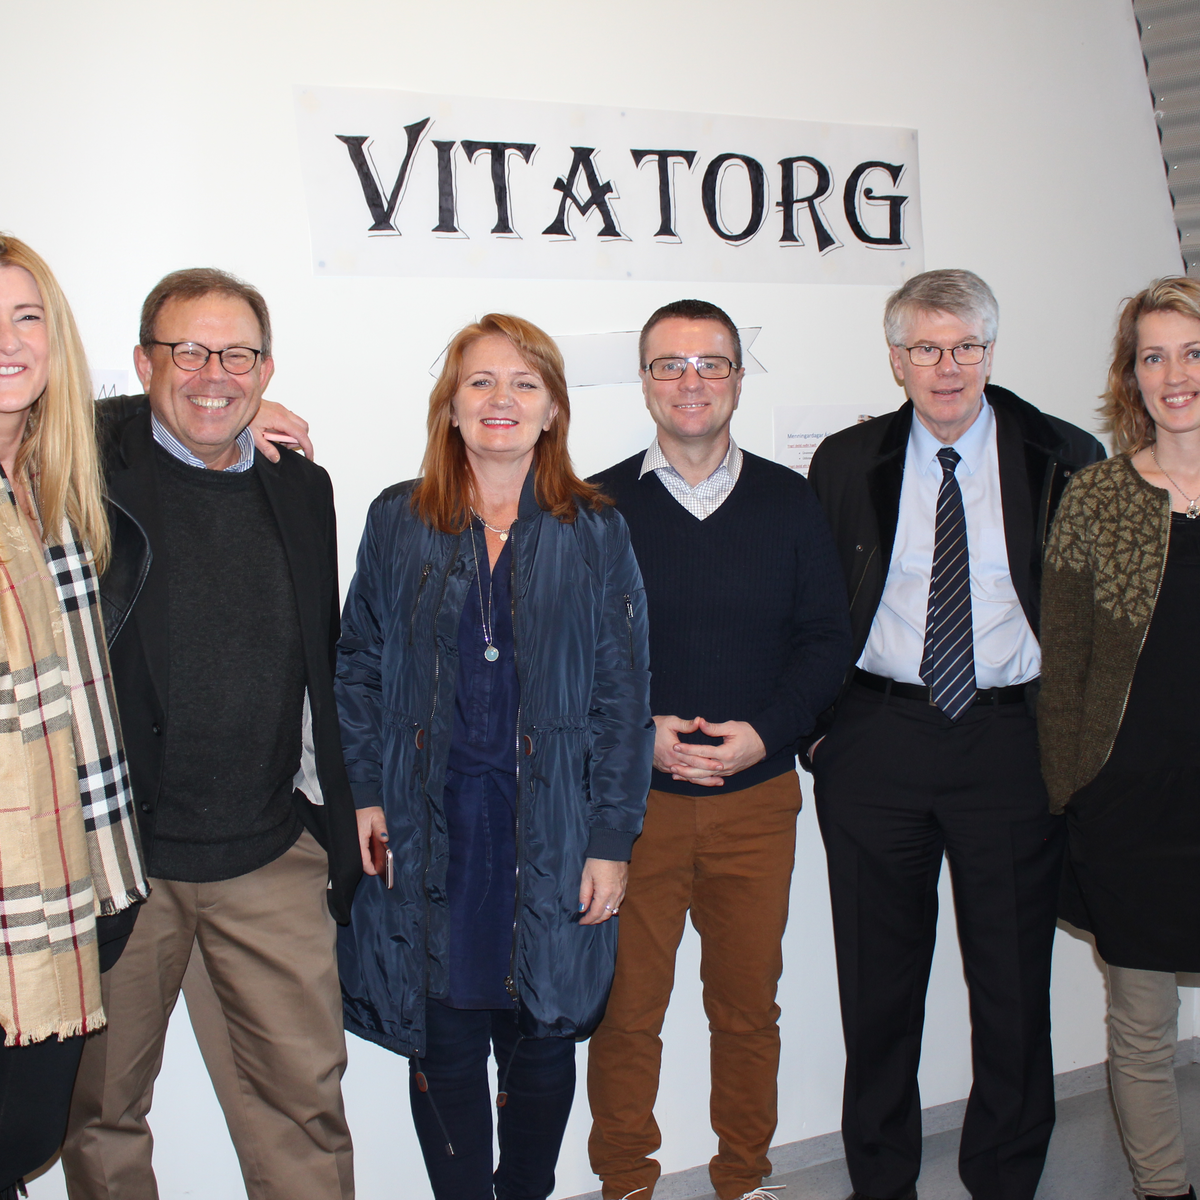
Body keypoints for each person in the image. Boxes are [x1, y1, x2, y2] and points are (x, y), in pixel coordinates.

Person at [335, 313, 653, 1200]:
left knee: (541, 1035)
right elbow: (357, 663)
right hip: (430, 829)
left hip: (551, 828)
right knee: (440, 1038)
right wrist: (366, 796)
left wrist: (612, 838)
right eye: (479, 381)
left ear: (552, 409)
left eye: (524, 382)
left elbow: (624, 696)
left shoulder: (594, 531)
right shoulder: (398, 519)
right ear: (451, 406)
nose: (500, 399)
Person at [805, 269, 1105, 1200]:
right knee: (878, 989)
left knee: (1012, 988)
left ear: (990, 352)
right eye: (927, 348)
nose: (948, 368)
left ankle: (1005, 1177)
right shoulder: (846, 460)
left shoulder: (1064, 453)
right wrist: (820, 735)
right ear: (896, 359)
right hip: (878, 742)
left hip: (1010, 744)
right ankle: (881, 1178)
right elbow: (811, 605)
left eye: (966, 347)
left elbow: (1101, 617)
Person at [61, 267, 360, 1200]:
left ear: (267, 368)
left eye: (237, 356)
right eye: (187, 351)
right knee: (102, 1113)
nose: (213, 375)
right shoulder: (86, 472)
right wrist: (195, 402)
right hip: (122, 864)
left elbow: (321, 658)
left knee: (304, 1109)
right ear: (142, 361)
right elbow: (39, 411)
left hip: (269, 854)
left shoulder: (302, 487)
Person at [587, 299, 852, 1200]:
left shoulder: (790, 500)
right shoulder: (596, 506)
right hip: (633, 808)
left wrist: (766, 735)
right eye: (670, 365)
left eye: (711, 364)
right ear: (645, 381)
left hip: (756, 802)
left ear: (738, 378)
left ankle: (744, 1178)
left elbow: (826, 640)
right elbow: (572, 654)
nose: (691, 382)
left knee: (746, 1011)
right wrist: (640, 735)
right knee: (626, 1013)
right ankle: (626, 1181)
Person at [1039, 276, 1200, 1200]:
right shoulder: (1097, 497)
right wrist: (1073, 796)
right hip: (1131, 810)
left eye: (1192, 352)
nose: (1174, 375)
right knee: (1142, 1026)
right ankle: (1165, 1190)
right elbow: (1062, 667)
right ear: (1130, 376)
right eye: (1153, 357)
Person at [0, 236, 148, 1200]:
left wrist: (236, 409)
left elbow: (153, 407)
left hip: (85, 874)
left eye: (27, 317)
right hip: (14, 888)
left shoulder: (53, 481)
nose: (9, 342)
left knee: (24, 1134)